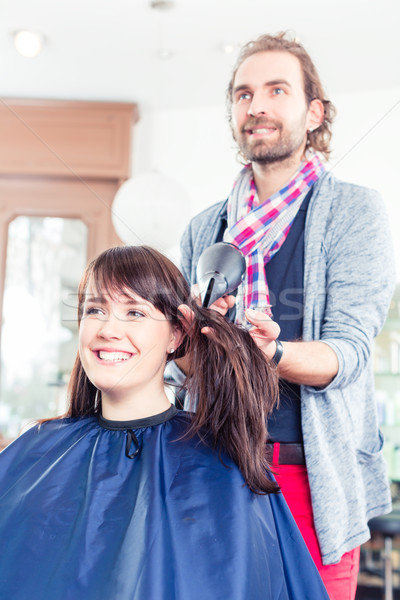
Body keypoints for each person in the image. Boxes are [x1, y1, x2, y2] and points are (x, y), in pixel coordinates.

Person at [170, 32, 396, 600]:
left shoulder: (354, 211)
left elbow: (348, 352)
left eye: (277, 90)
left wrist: (269, 353)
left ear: (313, 112)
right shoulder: (205, 227)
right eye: (244, 94)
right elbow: (182, 367)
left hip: (309, 478)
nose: (258, 106)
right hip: (212, 468)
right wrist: (187, 348)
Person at [0, 245, 329, 600]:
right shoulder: (34, 453)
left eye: (135, 312)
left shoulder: (220, 464)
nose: (109, 329)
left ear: (176, 335)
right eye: (95, 309)